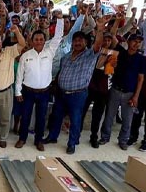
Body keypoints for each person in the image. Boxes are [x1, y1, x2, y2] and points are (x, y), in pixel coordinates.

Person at [44, 18, 105, 154]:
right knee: (57, 116)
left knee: (75, 119)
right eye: (75, 40)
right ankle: (52, 137)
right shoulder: (66, 56)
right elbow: (61, 71)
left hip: (78, 94)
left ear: (85, 42)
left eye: (80, 40)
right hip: (62, 93)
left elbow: (98, 45)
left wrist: (100, 29)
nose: (77, 43)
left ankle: (72, 143)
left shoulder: (90, 55)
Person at [14, 18, 64, 151]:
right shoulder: (26, 55)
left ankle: (38, 140)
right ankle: (22, 138)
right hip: (28, 91)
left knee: (41, 117)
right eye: (36, 39)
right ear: (32, 41)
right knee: (26, 116)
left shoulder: (49, 52)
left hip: (44, 92)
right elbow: (19, 74)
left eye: (41, 39)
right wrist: (18, 92)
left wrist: (59, 19)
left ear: (44, 40)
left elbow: (58, 36)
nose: (39, 42)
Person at [100, 33, 146, 150]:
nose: (136, 44)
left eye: (139, 42)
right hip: (115, 89)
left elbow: (141, 78)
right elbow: (113, 36)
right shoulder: (120, 53)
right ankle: (105, 137)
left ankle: (123, 140)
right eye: (134, 41)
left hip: (130, 93)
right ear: (129, 41)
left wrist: (136, 96)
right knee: (109, 116)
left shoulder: (141, 59)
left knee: (127, 119)